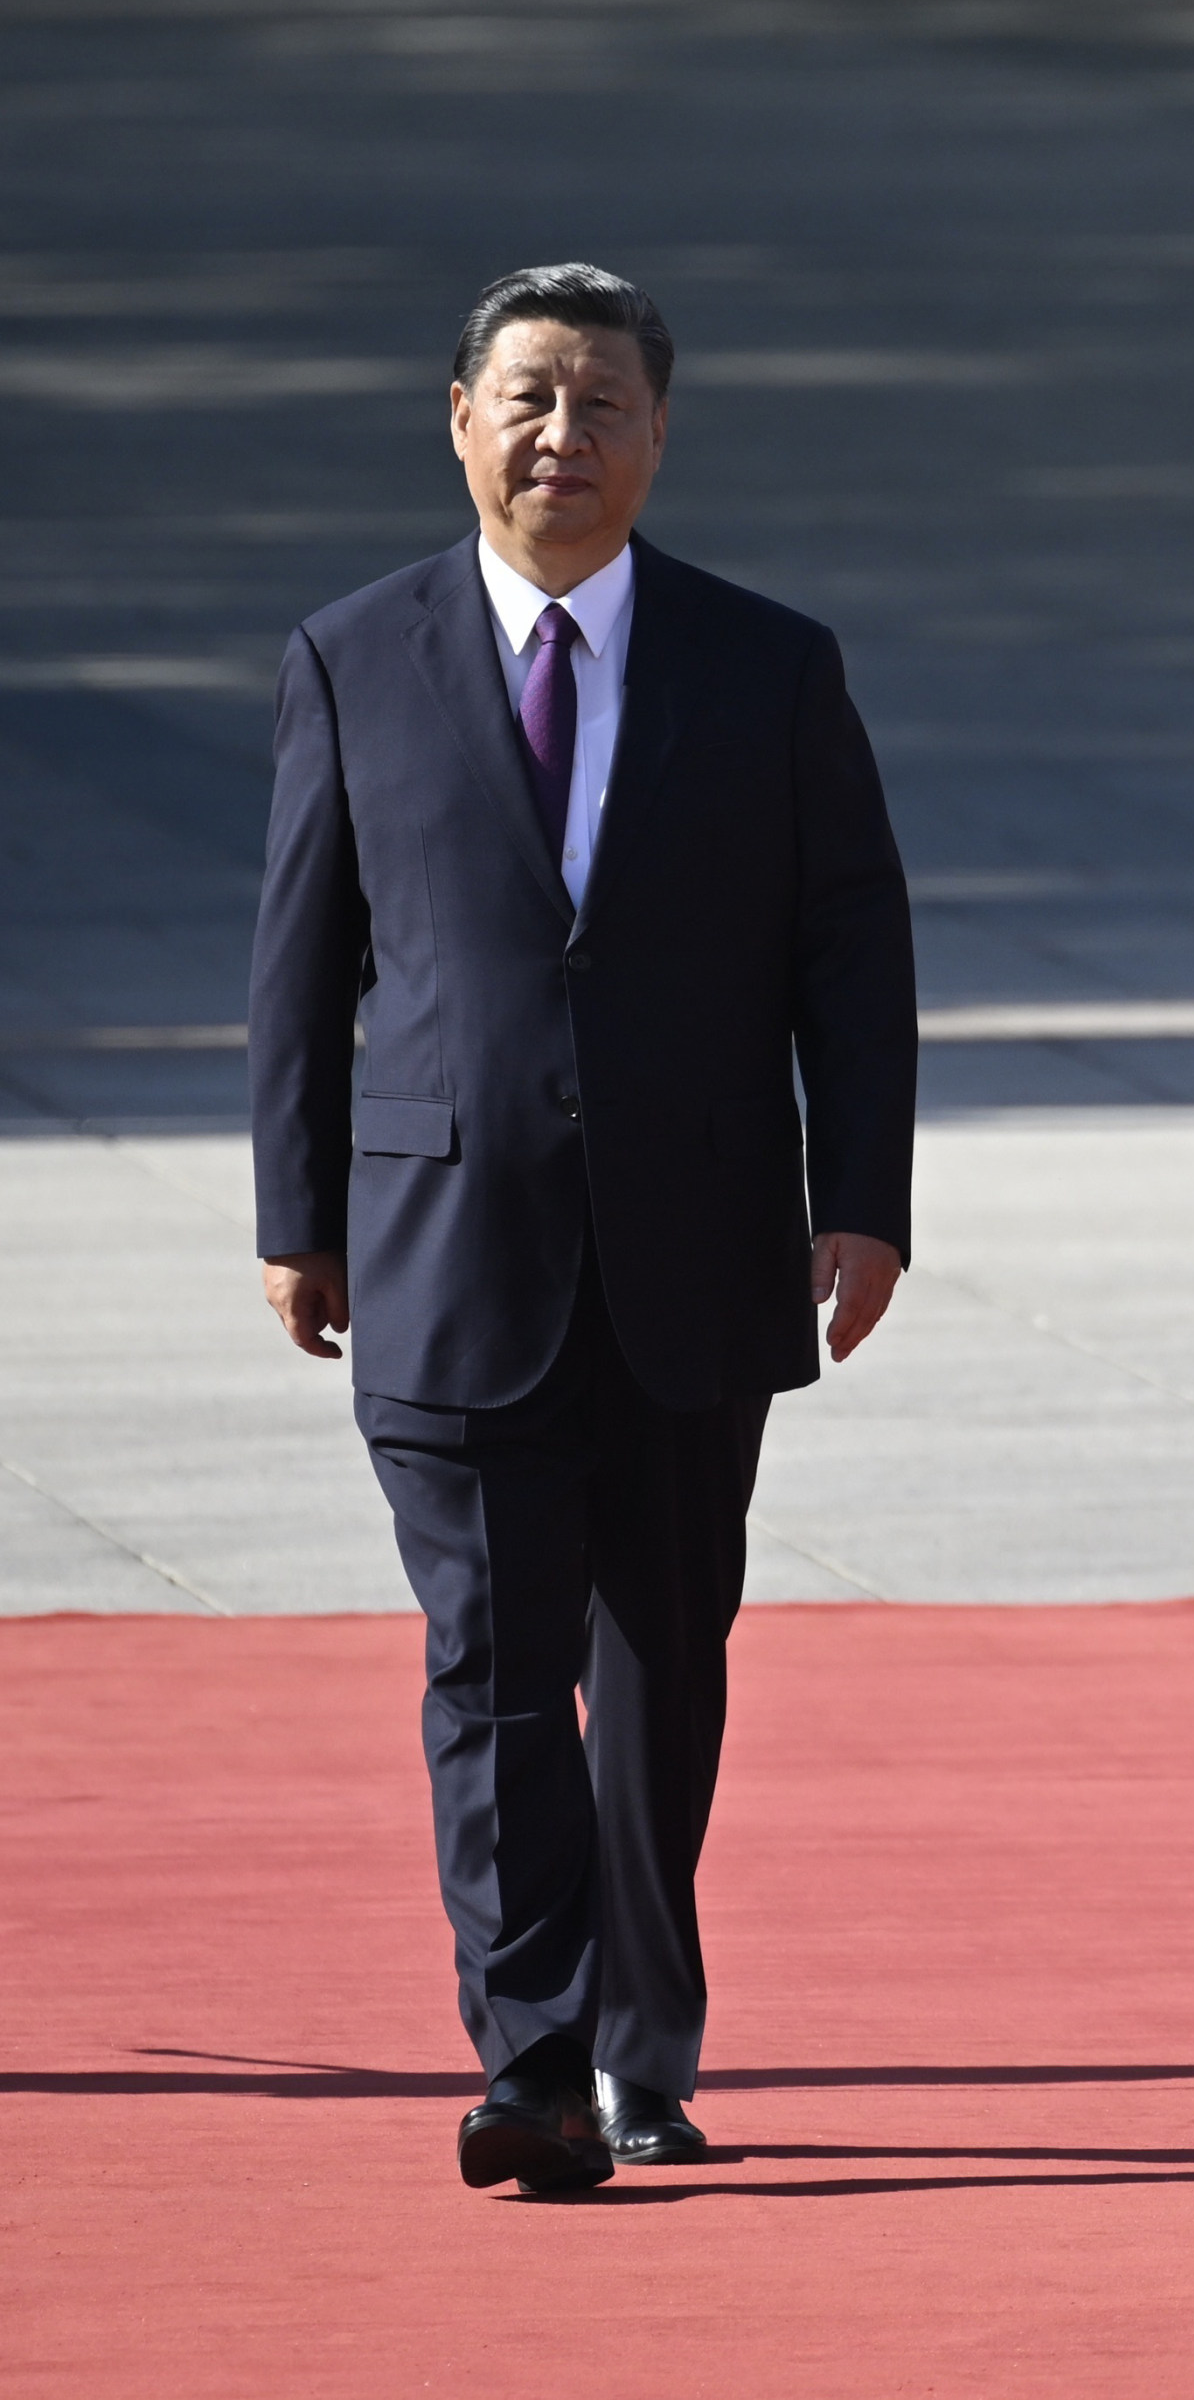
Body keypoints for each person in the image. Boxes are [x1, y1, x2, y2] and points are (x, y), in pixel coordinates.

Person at [248, 262, 917, 2195]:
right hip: (448, 1243)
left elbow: (848, 946)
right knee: (487, 1662)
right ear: (458, 419)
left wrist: (860, 1197)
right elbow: (302, 966)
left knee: (665, 1657)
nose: (566, 436)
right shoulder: (352, 653)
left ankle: (645, 2036)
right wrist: (299, 1211)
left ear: (659, 435)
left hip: (699, 1250)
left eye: (605, 402)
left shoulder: (768, 662)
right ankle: (530, 2056)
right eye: (529, 399)